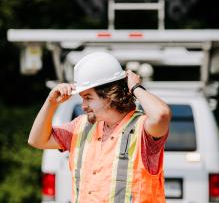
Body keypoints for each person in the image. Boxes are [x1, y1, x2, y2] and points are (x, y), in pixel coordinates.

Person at [28, 52, 171, 203]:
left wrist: (135, 87)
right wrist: (51, 103)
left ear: (110, 95)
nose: (83, 106)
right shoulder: (81, 127)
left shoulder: (142, 130)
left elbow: (161, 115)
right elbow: (36, 140)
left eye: (88, 98)